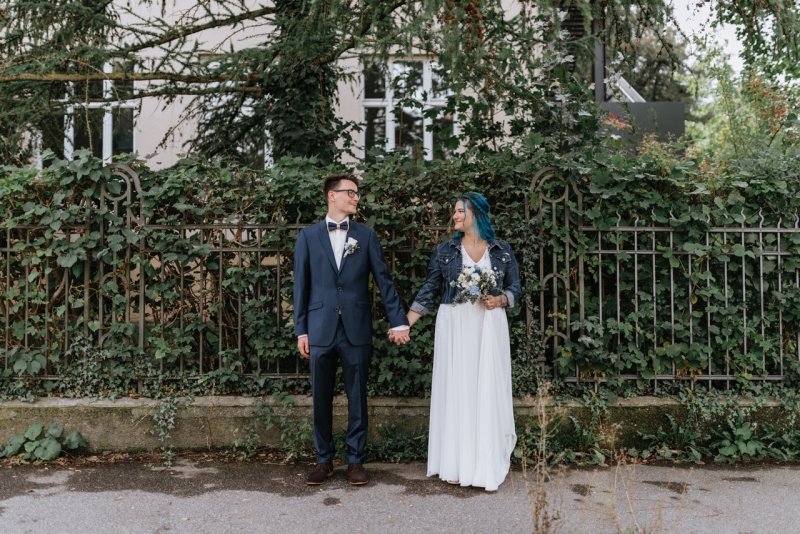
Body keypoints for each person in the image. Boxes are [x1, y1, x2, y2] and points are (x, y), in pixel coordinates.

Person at [294, 172, 410, 486]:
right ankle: (323, 460)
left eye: (357, 193)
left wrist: (398, 320)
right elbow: (301, 286)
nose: (356, 197)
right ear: (331, 195)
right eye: (351, 192)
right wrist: (301, 330)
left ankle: (355, 460)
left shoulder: (366, 236)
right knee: (321, 398)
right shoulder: (308, 236)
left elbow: (384, 281)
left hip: (356, 327)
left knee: (357, 396)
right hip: (320, 329)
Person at [405, 192, 521, 492]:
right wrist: (406, 323)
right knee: (457, 387)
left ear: (476, 214)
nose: (455, 216)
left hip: (489, 325)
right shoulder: (445, 250)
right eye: (454, 211)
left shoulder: (502, 250)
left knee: (486, 387)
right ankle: (456, 461)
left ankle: (484, 459)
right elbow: (430, 289)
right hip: (455, 323)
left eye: (460, 211)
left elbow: (516, 288)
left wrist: (500, 299)